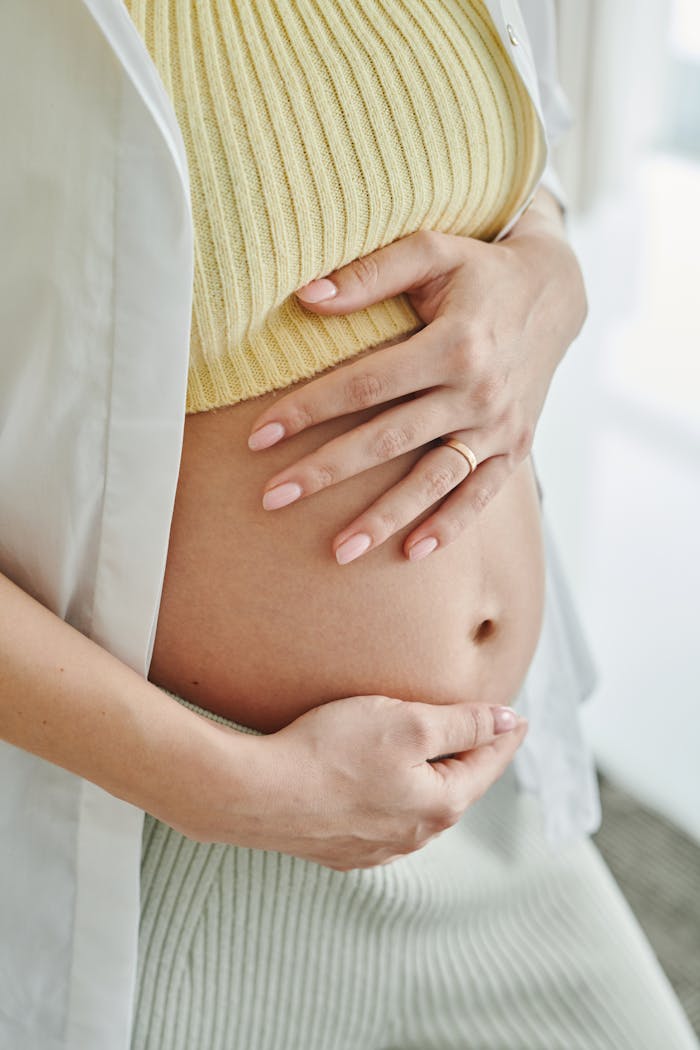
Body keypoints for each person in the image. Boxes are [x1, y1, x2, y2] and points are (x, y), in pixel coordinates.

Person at [0, 2, 697, 1048]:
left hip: (483, 804)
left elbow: (514, 161)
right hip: (164, 837)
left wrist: (546, 270)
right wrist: (229, 788)